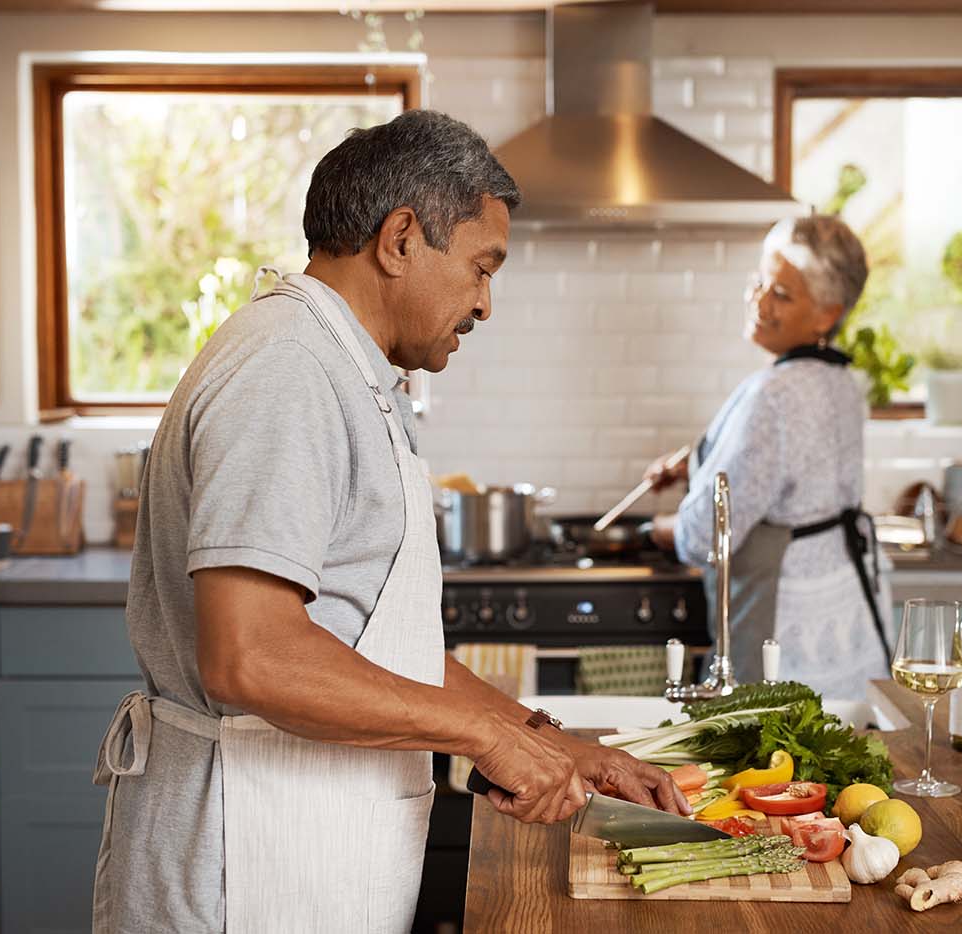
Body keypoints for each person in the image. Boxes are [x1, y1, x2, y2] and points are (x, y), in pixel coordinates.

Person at [90, 110, 686, 934]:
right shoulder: (286, 371)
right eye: (481, 267)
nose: (485, 302)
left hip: (308, 847)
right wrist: (483, 735)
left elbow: (378, 653)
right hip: (247, 867)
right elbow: (251, 656)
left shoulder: (345, 372)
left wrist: (549, 740)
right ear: (401, 239)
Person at [644, 214, 892, 702]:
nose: (759, 301)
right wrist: (696, 464)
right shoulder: (841, 382)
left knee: (775, 763)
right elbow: (791, 472)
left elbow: (705, 537)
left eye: (781, 294)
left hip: (789, 620)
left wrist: (656, 528)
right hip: (844, 607)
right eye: (759, 282)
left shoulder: (774, 395)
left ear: (826, 314)